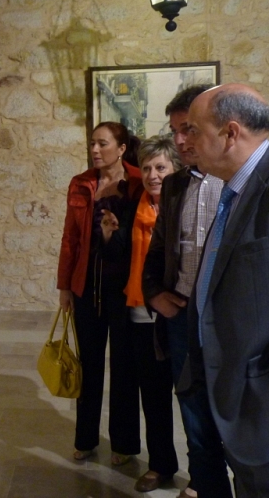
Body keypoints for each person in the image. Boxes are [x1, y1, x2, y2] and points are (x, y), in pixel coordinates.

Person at [142, 85, 233, 498]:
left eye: (189, 130)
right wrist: (155, 294)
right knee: (193, 413)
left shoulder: (237, 181)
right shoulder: (175, 185)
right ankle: (204, 484)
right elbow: (159, 248)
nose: (180, 141)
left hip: (227, 324)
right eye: (176, 131)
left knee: (236, 418)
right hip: (181, 317)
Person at [182, 83, 269, 497]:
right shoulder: (235, 186)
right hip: (226, 377)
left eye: (195, 130)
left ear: (231, 133)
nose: (186, 140)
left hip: (258, 394)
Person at [57, 121, 142, 465]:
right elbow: (70, 239)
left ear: (121, 148)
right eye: (92, 143)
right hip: (86, 288)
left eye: (102, 144)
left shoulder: (138, 181)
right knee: (88, 365)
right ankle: (86, 438)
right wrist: (64, 286)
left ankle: (123, 444)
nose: (94, 150)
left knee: (125, 368)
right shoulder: (80, 183)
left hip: (124, 289)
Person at [101, 136, 181, 492]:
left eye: (161, 167)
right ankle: (161, 465)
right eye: (147, 167)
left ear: (176, 170)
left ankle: (203, 476)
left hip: (175, 316)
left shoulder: (185, 208)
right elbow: (125, 259)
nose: (152, 174)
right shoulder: (137, 208)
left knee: (194, 401)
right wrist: (110, 236)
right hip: (138, 315)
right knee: (154, 397)